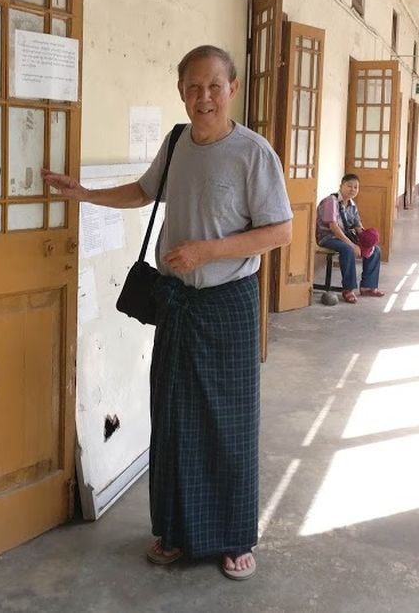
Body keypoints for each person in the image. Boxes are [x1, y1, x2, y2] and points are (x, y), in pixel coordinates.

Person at [42, 45, 292, 580]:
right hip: (178, 303)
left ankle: (233, 539)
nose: (204, 97)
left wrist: (207, 251)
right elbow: (142, 191)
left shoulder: (253, 153)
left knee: (228, 423)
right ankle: (175, 532)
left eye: (214, 86)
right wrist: (84, 194)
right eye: (193, 87)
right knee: (175, 418)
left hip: (229, 303)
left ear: (232, 89)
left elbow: (281, 231)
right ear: (181, 92)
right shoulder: (177, 142)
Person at [316, 174, 384, 304]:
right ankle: (348, 289)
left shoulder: (352, 205)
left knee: (375, 250)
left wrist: (367, 240)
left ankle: (368, 286)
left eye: (356, 187)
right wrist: (352, 245)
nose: (353, 189)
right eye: (349, 186)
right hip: (328, 237)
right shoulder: (331, 201)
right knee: (347, 250)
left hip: (345, 237)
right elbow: (333, 227)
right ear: (341, 186)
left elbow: (358, 226)